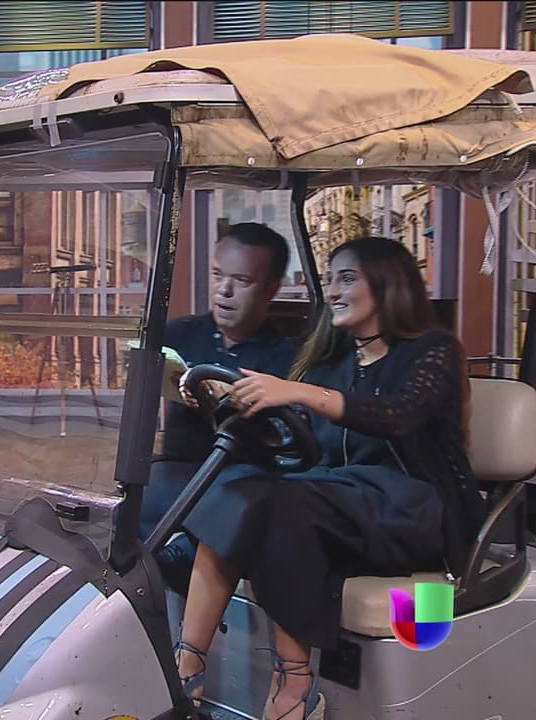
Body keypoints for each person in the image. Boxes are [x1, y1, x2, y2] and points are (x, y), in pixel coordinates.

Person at [170, 237, 486, 720]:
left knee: (285, 509)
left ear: (387, 283)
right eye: (330, 279)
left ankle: (293, 688)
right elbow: (291, 437)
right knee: (236, 491)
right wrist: (226, 400)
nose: (332, 291)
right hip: (340, 502)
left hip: (415, 508)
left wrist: (299, 392)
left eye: (347, 278)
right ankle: (185, 670)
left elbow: (398, 415)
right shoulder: (334, 361)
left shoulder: (433, 351)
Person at [138, 222, 296, 589]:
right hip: (176, 469)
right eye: (217, 275)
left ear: (271, 290)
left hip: (243, 478)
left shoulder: (288, 360)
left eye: (241, 281)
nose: (224, 290)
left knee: (231, 508)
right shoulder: (177, 334)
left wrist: (236, 403)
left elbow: (287, 440)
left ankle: (174, 572)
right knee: (135, 501)